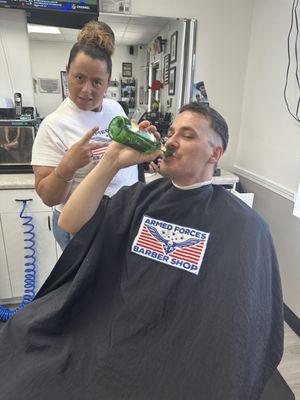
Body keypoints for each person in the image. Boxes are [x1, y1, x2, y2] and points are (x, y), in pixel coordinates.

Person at [0, 102, 283, 400]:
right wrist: (112, 160)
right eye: (171, 132)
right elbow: (69, 222)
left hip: (177, 351)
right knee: (23, 343)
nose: (171, 140)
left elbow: (245, 320)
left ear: (215, 153)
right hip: (116, 331)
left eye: (187, 135)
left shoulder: (245, 226)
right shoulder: (138, 198)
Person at [31, 20, 139, 251]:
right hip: (83, 228)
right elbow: (48, 197)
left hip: (121, 220)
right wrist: (67, 167)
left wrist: (143, 145)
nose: (86, 90)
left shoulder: (115, 109)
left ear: (108, 83)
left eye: (97, 82)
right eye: (79, 78)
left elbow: (123, 155)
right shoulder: (53, 125)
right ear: (68, 72)